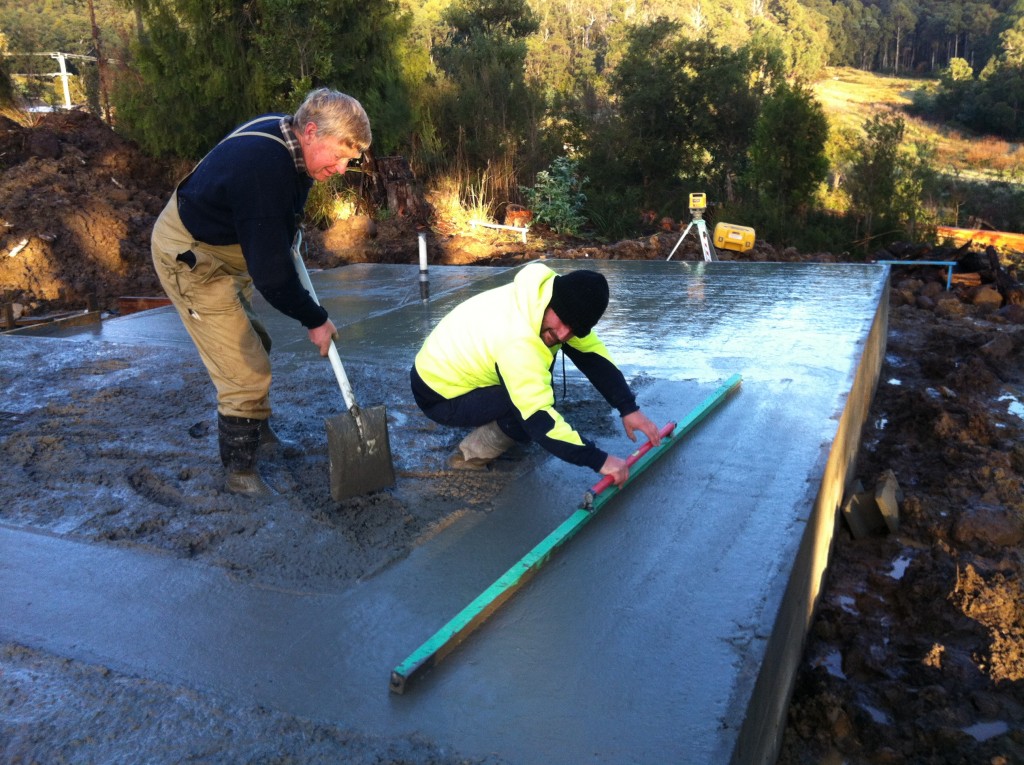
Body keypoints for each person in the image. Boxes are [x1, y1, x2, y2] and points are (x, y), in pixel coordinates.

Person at [151, 88, 372, 495]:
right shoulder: (262, 167)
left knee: (257, 340)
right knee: (243, 369)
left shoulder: (288, 142)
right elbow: (271, 277)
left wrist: (286, 232)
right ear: (310, 131)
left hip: (228, 245)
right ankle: (240, 473)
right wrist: (316, 319)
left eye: (349, 160)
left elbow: (278, 216)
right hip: (191, 257)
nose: (342, 168)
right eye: (339, 156)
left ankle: (259, 431)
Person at [410, 262, 661, 486]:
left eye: (574, 330)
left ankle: (496, 426)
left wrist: (628, 407)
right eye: (562, 323)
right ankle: (467, 457)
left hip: (453, 369)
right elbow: (537, 416)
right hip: (438, 394)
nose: (563, 335)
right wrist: (600, 460)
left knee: (533, 391)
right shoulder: (517, 339)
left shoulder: (545, 296)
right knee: (525, 414)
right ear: (553, 303)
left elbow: (592, 356)